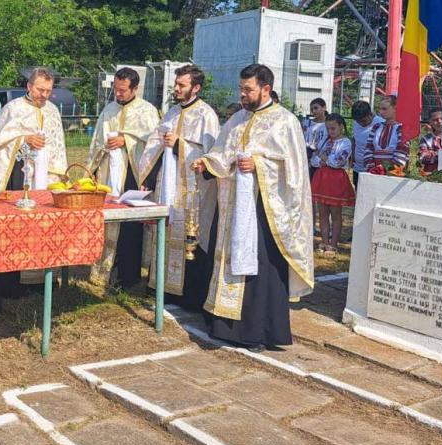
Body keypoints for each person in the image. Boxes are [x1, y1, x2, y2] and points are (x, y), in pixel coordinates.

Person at [193, 63, 314, 351]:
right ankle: (224, 326)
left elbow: (294, 171)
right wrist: (208, 164)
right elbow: (223, 153)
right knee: (228, 259)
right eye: (241, 89)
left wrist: (259, 165)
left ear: (266, 89)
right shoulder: (236, 119)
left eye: (248, 89)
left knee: (261, 266)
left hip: (265, 209)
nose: (243, 94)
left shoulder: (285, 122)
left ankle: (256, 331)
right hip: (233, 205)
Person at [139, 65, 220, 310]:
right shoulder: (171, 113)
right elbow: (154, 145)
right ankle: (161, 288)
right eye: (176, 84)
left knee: (189, 236)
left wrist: (179, 144)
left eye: (181, 85)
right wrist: (149, 175)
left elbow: (210, 155)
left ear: (196, 88)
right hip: (168, 185)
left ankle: (188, 297)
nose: (176, 89)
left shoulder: (207, 115)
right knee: (165, 232)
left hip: (193, 192)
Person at [87, 67, 160, 288]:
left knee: (131, 226)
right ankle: (104, 271)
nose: (118, 94)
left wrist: (126, 140)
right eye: (116, 90)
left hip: (133, 175)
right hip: (109, 174)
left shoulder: (147, 111)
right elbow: (96, 144)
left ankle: (128, 276)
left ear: (135, 88)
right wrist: (104, 149)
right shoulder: (108, 110)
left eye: (123, 90)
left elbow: (153, 145)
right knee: (107, 223)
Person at [0, 67, 67, 192]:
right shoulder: (13, 108)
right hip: (20, 171)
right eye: (40, 90)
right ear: (29, 86)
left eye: (48, 91)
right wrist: (24, 139)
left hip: (48, 174)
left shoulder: (53, 110)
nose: (44, 95)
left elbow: (59, 147)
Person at [310, 114, 355, 257]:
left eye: (333, 128)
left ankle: (333, 244)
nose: (331, 131)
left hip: (335, 179)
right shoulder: (326, 141)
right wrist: (324, 160)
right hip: (323, 178)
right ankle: (324, 241)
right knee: (322, 213)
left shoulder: (346, 142)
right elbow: (314, 160)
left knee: (335, 213)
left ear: (341, 126)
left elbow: (339, 161)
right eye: (328, 129)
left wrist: (325, 160)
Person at [364, 95, 410, 174]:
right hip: (374, 171)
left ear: (395, 108)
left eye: (384, 109)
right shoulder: (376, 127)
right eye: (380, 109)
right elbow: (368, 148)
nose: (381, 112)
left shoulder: (402, 128)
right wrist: (372, 168)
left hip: (394, 173)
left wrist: (389, 170)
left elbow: (402, 150)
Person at [350, 100, 383, 187]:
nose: (361, 124)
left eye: (363, 121)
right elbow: (354, 140)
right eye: (358, 121)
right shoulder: (355, 123)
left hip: (374, 170)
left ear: (370, 114)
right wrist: (352, 156)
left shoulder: (381, 124)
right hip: (357, 168)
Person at [305, 98, 328, 177]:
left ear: (324, 107)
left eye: (316, 108)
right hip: (308, 159)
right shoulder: (307, 123)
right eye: (311, 109)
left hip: (322, 160)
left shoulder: (329, 124)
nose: (313, 111)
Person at [418, 109, 442, 175]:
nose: (439, 121)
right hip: (430, 176)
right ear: (430, 122)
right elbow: (423, 157)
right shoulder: (426, 139)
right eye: (435, 120)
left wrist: (433, 153)